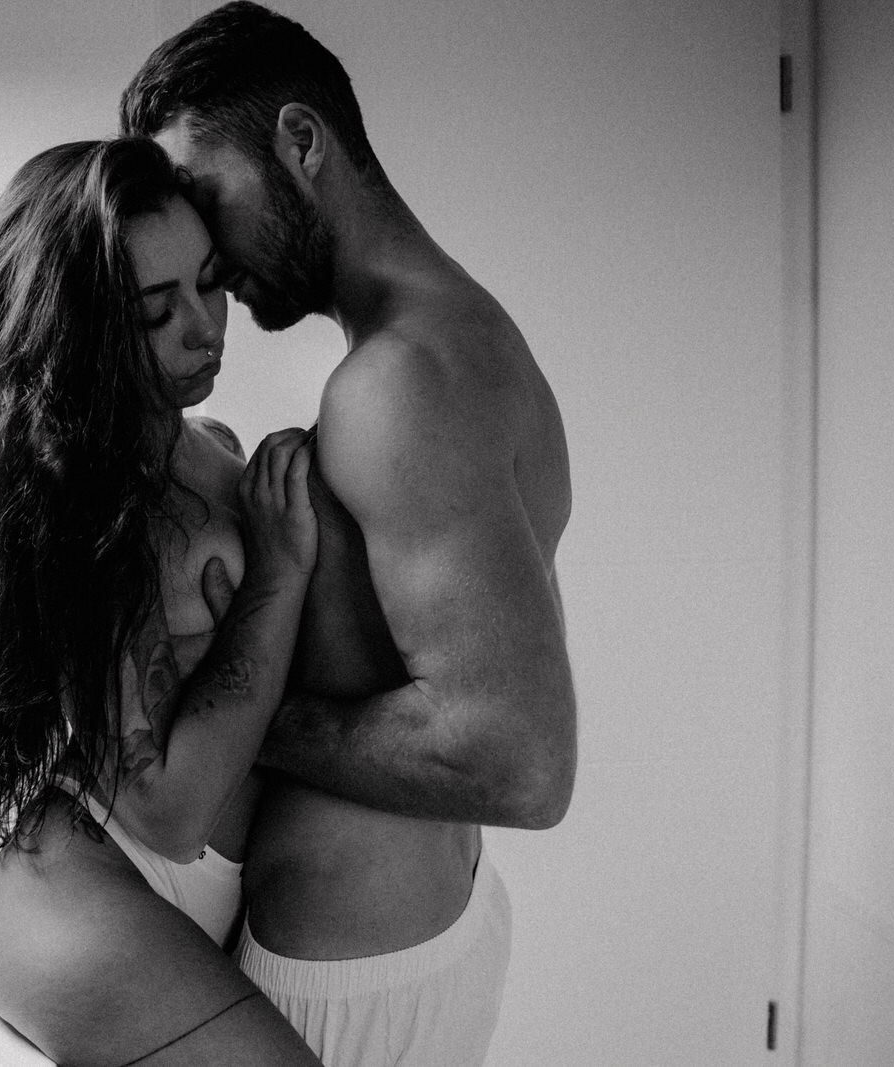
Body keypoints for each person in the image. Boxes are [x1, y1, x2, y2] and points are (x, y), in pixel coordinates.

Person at [121, 4, 579, 1064]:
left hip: (351, 968)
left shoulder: (397, 382)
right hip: (412, 932)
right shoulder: (465, 338)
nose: (204, 248)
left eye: (204, 194)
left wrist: (233, 718)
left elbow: (520, 761)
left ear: (299, 140)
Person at [0, 137, 325, 1066]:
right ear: (81, 334)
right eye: (157, 310)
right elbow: (168, 811)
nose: (206, 327)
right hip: (82, 895)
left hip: (177, 884)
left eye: (210, 282)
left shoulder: (212, 443)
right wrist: (278, 575)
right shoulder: (91, 510)